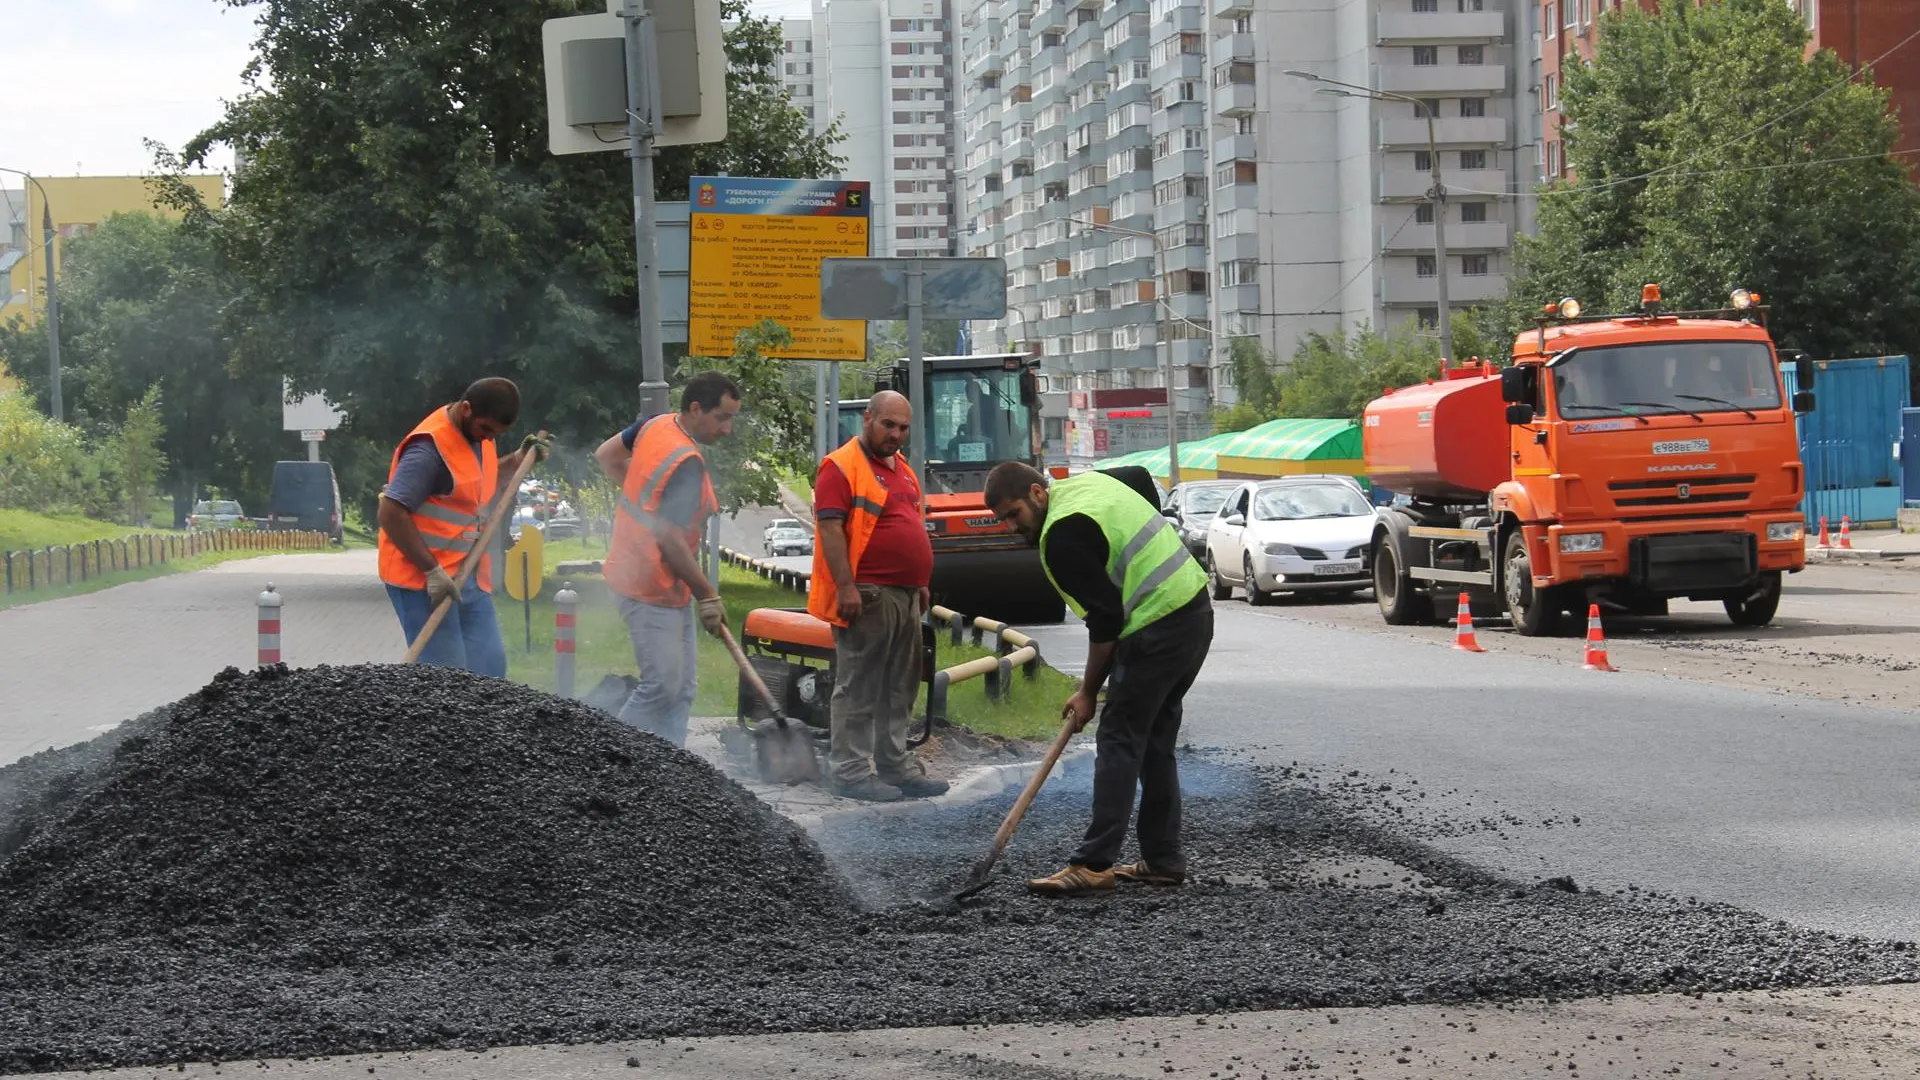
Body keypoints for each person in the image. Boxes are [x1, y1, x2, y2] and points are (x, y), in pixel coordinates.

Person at [983, 460, 1213, 897]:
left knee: (1119, 738)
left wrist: (1087, 692)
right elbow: (1140, 478)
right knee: (1153, 743)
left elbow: (1106, 621)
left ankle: (1093, 864)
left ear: (1036, 493)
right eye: (1002, 521)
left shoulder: (1062, 536)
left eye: (1013, 514)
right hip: (1193, 614)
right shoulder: (1087, 487)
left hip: (1158, 625)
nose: (1011, 526)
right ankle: (1163, 860)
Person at [809, 390, 949, 802]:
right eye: (888, 424)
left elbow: (907, 524)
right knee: (859, 686)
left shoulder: (901, 469)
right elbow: (831, 530)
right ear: (867, 418)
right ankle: (850, 773)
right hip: (868, 593)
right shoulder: (840, 467)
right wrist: (846, 586)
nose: (896, 434)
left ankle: (895, 767)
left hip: (906, 595)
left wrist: (919, 581)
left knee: (899, 685)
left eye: (903, 427)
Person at [594, 372, 740, 747]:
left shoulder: (654, 425)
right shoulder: (686, 463)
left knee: (683, 689)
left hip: (652, 579)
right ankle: (610, 764)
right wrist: (708, 595)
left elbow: (606, 456)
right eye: (722, 418)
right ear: (696, 409)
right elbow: (672, 543)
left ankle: (671, 777)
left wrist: (646, 508)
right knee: (661, 687)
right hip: (649, 586)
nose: (728, 430)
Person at [377, 377, 549, 677]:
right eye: (486, 429)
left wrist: (519, 460)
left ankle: (488, 724)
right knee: (446, 679)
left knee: (490, 669)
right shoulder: (428, 450)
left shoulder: (478, 437)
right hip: (422, 579)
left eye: (495, 434)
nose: (487, 438)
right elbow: (390, 511)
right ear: (466, 408)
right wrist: (431, 571)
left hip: (466, 574)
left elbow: (480, 481)